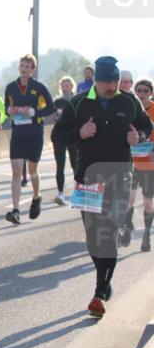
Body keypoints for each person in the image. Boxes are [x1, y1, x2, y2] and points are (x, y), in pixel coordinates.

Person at [52, 56, 152, 318]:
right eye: (108, 81)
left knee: (108, 233)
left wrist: (137, 136)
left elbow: (146, 126)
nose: (112, 86)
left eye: (116, 81)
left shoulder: (128, 101)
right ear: (96, 81)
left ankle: (99, 292)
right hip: (87, 178)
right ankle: (104, 280)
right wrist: (79, 133)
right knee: (92, 234)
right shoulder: (78, 104)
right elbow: (57, 135)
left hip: (120, 176)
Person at [3, 54, 54, 225]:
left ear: (33, 69)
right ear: (19, 67)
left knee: (32, 171)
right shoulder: (11, 87)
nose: (24, 69)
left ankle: (36, 197)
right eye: (22, 65)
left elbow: (51, 108)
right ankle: (15, 210)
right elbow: (6, 107)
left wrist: (34, 112)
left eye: (27, 66)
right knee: (16, 171)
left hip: (34, 134)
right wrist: (9, 111)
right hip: (18, 134)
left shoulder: (39, 88)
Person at [121, 77, 154, 250]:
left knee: (148, 203)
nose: (141, 94)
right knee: (128, 200)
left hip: (150, 165)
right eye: (138, 91)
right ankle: (127, 228)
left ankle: (147, 234)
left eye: (145, 91)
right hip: (132, 163)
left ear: (151, 94)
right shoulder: (130, 109)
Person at [52, 76, 80, 205]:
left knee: (75, 164)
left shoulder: (77, 99)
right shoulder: (57, 101)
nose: (65, 88)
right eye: (63, 85)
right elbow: (53, 116)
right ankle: (61, 193)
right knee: (60, 165)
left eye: (67, 85)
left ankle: (78, 190)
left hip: (73, 135)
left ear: (72, 86)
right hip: (59, 135)